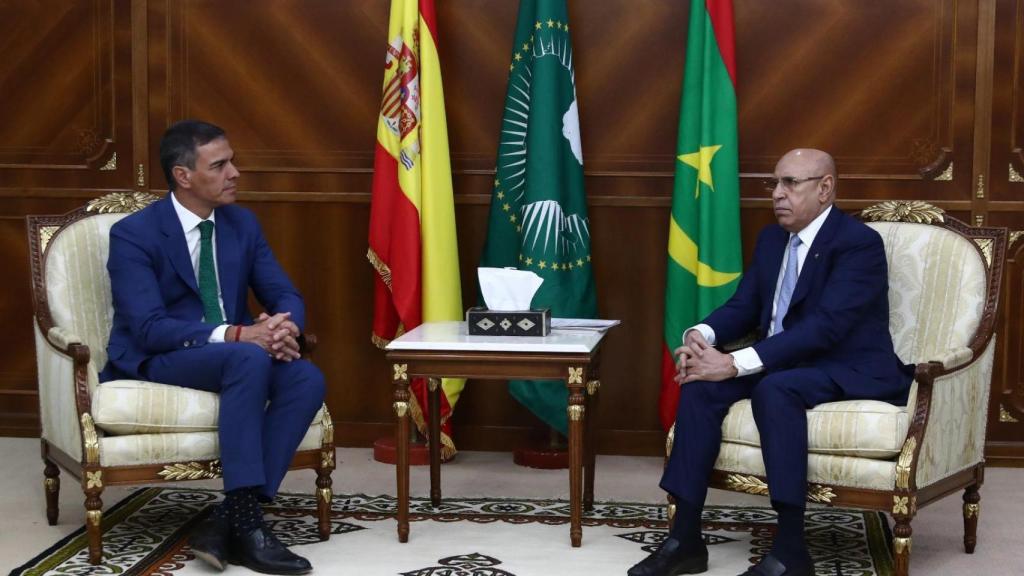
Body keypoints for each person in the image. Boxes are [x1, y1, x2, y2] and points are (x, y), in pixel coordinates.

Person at [628, 149, 914, 576]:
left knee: (775, 389)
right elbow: (745, 306)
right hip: (782, 358)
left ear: (825, 187)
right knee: (701, 386)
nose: (778, 194)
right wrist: (701, 335)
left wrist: (735, 363)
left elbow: (825, 329)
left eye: (790, 183)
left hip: (843, 364)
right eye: (774, 184)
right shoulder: (772, 239)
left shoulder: (857, 244)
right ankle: (685, 538)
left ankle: (791, 549)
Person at [101, 120, 326, 575]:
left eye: (232, 161)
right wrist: (240, 334)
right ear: (184, 176)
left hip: (233, 354)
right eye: (220, 165)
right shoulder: (134, 235)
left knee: (305, 375)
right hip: (162, 355)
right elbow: (148, 327)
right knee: (245, 355)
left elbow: (285, 295)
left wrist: (285, 329)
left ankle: (232, 517)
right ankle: (247, 525)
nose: (235, 173)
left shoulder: (241, 223)